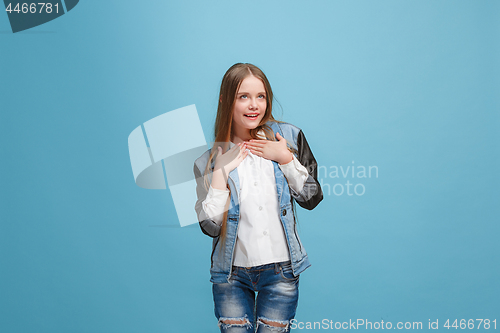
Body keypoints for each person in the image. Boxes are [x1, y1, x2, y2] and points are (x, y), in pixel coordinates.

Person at [193, 63, 323, 332]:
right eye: (243, 96)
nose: (254, 105)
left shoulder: (289, 138)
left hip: (281, 272)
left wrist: (286, 159)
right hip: (231, 277)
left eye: (260, 96)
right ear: (225, 99)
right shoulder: (207, 161)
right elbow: (210, 227)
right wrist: (220, 172)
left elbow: (312, 197)